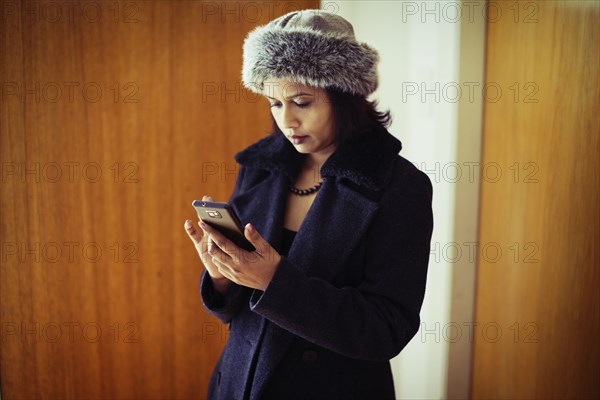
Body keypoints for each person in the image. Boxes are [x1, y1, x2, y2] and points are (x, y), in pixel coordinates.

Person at [184, 9, 433, 400]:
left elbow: (387, 328)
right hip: (239, 385)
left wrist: (275, 282)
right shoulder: (260, 166)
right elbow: (233, 311)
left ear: (344, 95)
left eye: (302, 101)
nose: (287, 121)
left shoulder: (400, 187)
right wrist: (222, 274)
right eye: (275, 103)